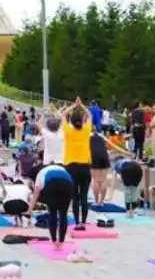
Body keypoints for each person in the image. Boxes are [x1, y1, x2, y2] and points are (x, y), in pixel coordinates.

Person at [61, 98, 93, 229]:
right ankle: (84, 222)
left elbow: (63, 115)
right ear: (82, 121)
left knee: (74, 196)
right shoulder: (86, 131)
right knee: (84, 196)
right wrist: (82, 106)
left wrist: (74, 105)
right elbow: (89, 115)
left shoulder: (68, 131)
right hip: (85, 167)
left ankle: (76, 221)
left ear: (72, 122)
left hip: (71, 167)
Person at [28, 163, 73, 251]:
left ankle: (54, 241)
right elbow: (71, 186)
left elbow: (36, 194)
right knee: (63, 214)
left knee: (52, 213)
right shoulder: (63, 169)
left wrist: (29, 210)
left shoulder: (41, 173)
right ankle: (61, 242)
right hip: (67, 185)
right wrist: (69, 207)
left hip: (52, 185)